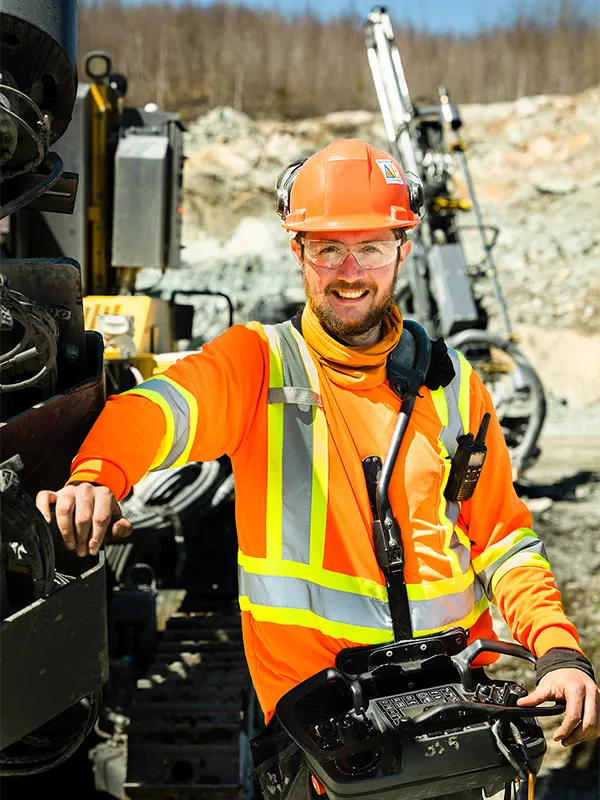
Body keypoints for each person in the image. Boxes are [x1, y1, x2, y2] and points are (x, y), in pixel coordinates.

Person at [37, 140, 599, 798]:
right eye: (328, 248)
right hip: (328, 733)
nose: (350, 272)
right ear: (298, 250)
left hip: (458, 712)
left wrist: (558, 648)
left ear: (403, 250)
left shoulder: (452, 386)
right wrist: (99, 473)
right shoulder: (259, 366)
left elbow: (502, 539)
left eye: (371, 248)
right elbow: (160, 409)